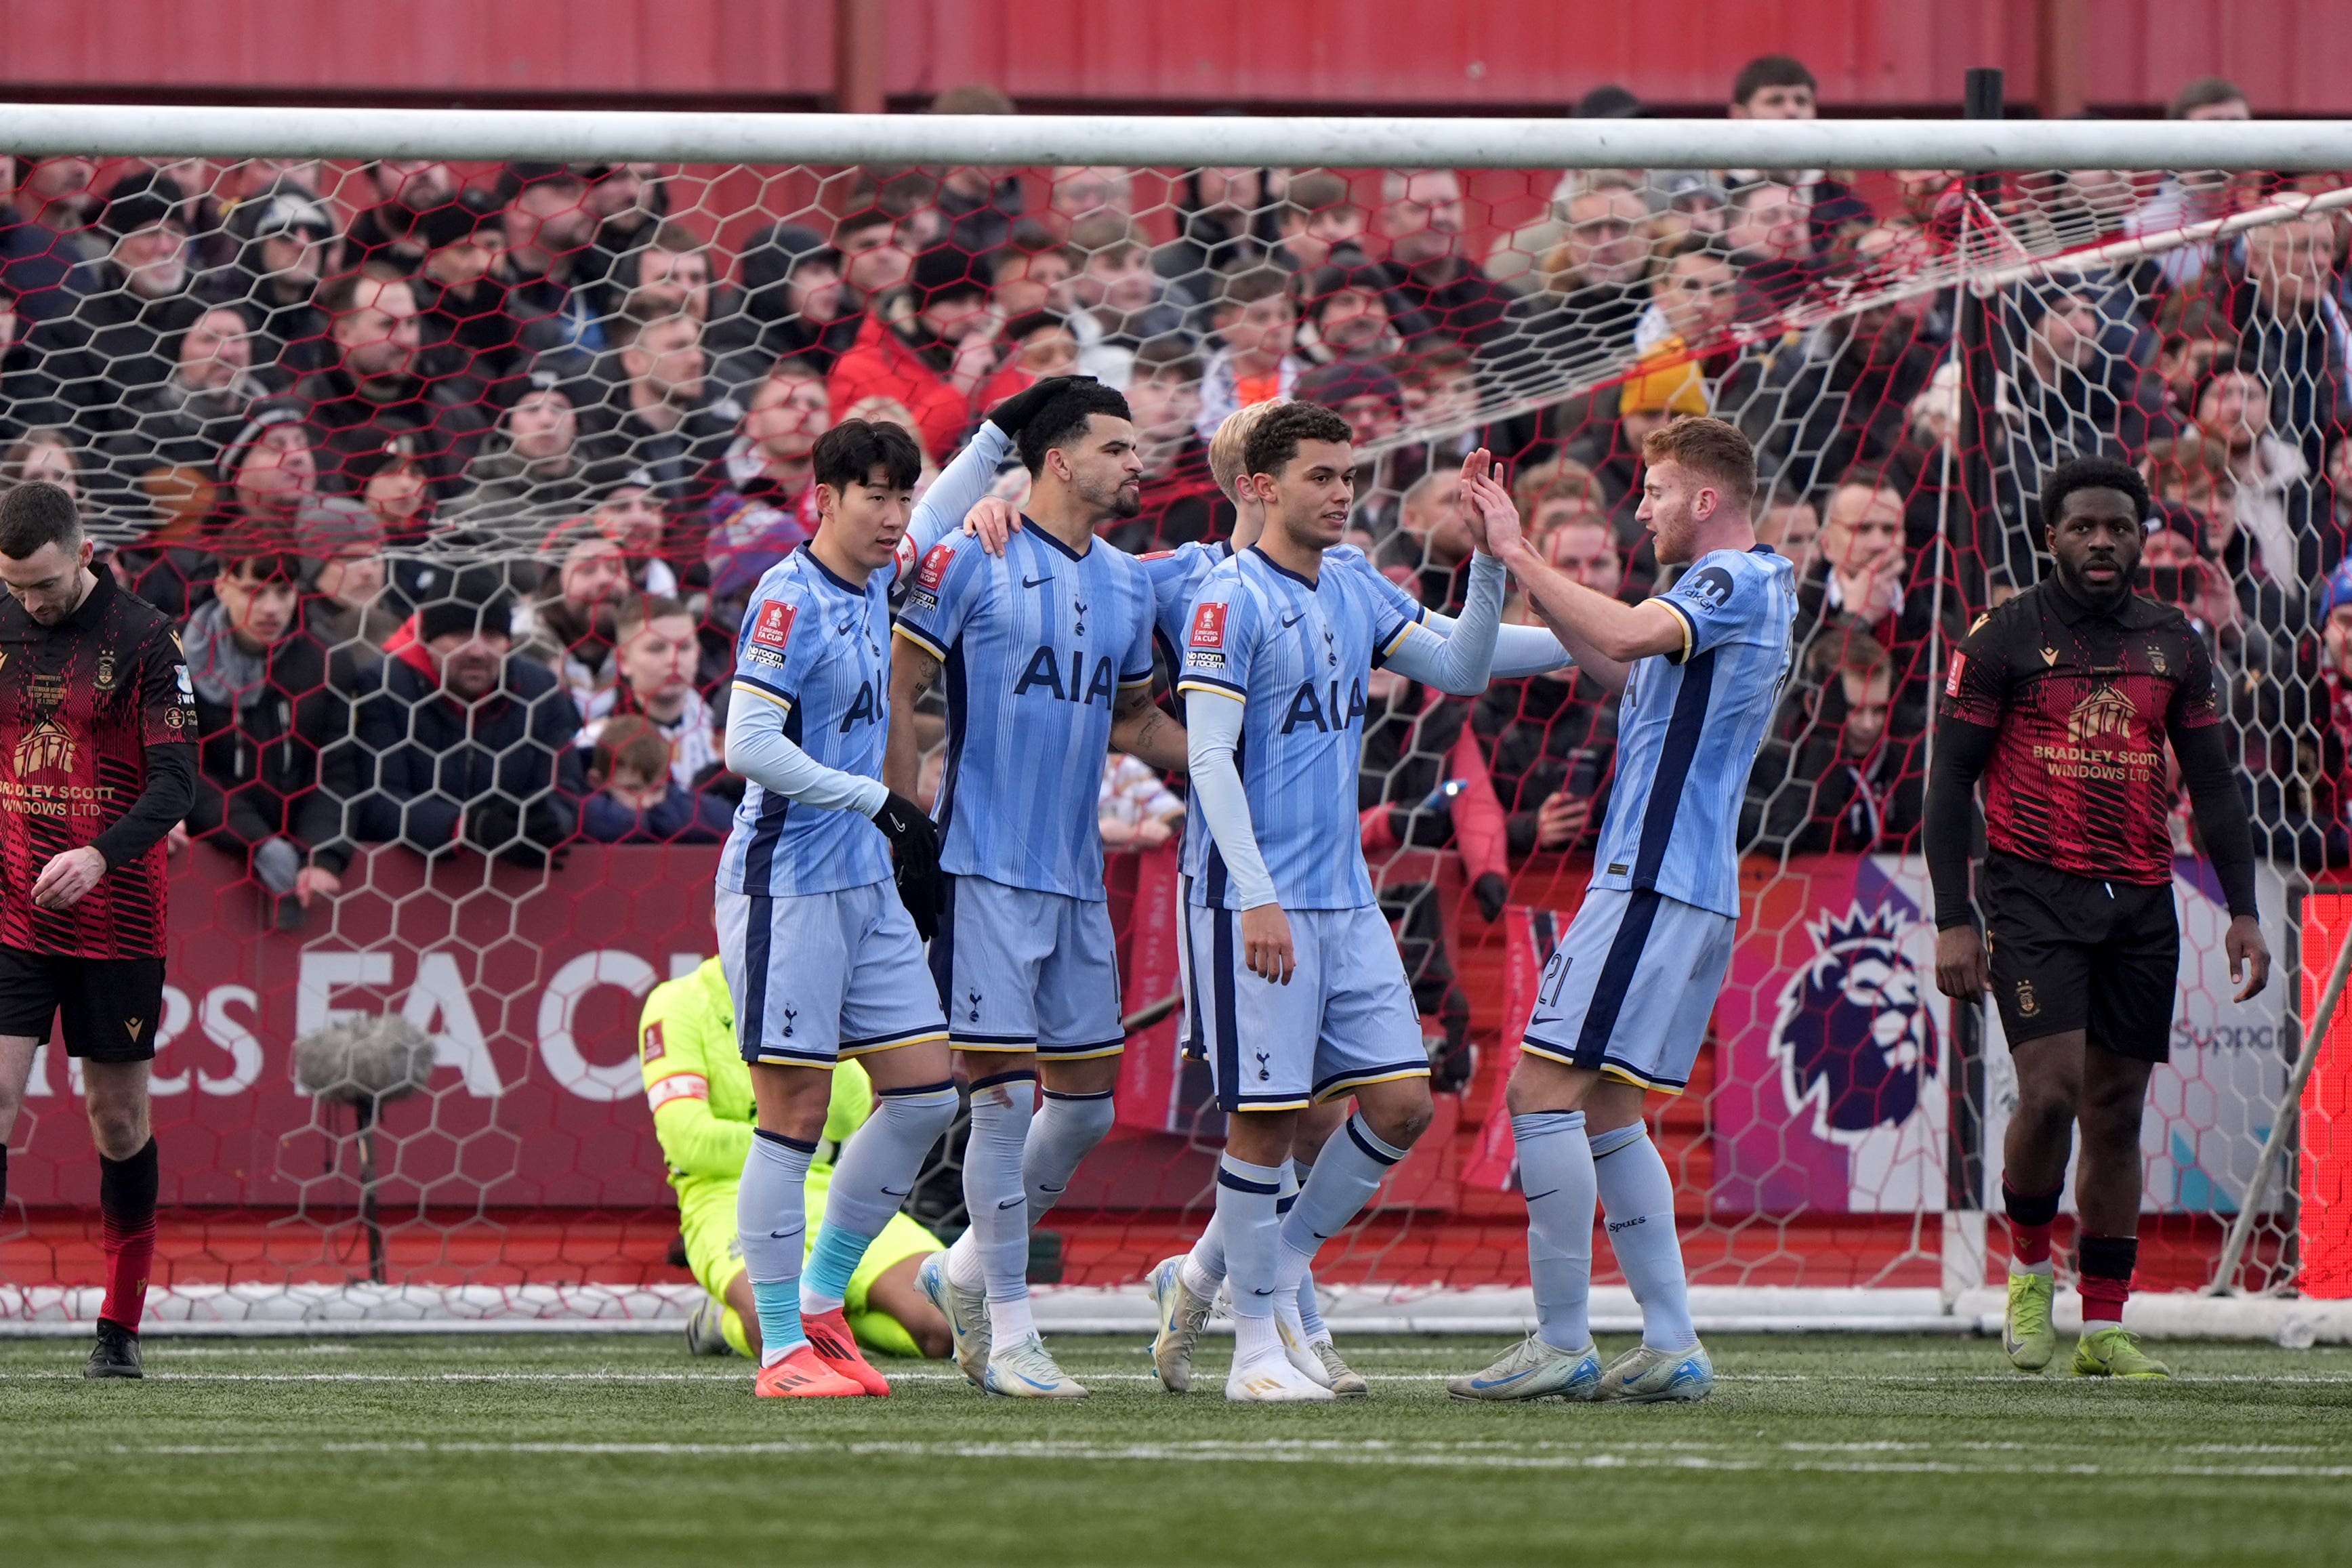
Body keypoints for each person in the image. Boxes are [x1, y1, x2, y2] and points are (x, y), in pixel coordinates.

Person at [1447, 416, 1795, 1406]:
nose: (1636, 507)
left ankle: (1560, 1338)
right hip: (1678, 883)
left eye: (1650, 490)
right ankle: (1673, 1340)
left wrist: (1518, 548)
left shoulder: (1733, 580)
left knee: (1534, 1092)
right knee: (1606, 1108)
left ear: (1702, 498)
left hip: (1651, 877)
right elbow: (1617, 663)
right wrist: (1521, 576)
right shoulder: (1718, 594)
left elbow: (1628, 632)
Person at [1171, 404, 1508, 1401]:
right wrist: (1256, 894)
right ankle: (1254, 1355)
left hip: (1346, 902)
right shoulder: (1224, 600)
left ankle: (1213, 1276)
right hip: (1251, 899)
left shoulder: (1355, 585)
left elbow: (1464, 665)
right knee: (1265, 1125)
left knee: (1403, 1103)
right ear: (1260, 486)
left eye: (1347, 475)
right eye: (1319, 474)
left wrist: (1490, 563)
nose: (1340, 491)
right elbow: (1204, 758)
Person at [1928, 455, 2268, 1381]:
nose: (2100, 543)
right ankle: (2029, 1268)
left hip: (2141, 901)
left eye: (2117, 527)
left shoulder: (2174, 642)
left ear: (2140, 532)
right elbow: (1948, 777)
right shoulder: (1999, 636)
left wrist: (2240, 910)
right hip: (2031, 892)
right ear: (2050, 536)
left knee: (2117, 1111)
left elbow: (2211, 783)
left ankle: (2105, 1323)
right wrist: (1952, 918)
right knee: (2047, 1094)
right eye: (2081, 527)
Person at [886, 379, 1187, 1397]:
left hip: (1074, 875)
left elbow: (1131, 721)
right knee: (1002, 1099)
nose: (1134, 464)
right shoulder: (975, 550)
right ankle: (1009, 1329)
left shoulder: (1127, 583)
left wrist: (1238, 764)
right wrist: (898, 812)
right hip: (982, 865)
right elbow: (898, 674)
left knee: (1087, 1107)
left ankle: (963, 1270)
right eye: (1116, 448)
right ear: (1058, 459)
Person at [718, 416, 957, 1399]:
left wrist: (1000, 435)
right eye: (875, 497)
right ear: (822, 497)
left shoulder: (875, 580)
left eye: (904, 497)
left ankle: (821, 1303)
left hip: (861, 882)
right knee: (795, 1112)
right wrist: (877, 800)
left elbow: (943, 506)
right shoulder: (786, 594)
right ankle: (779, 1351)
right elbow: (745, 745)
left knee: (925, 1090)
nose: (896, 517)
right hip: (788, 885)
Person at [0, 480, 199, 1380]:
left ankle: (118, 1325)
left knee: (115, 1120)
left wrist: (99, 856)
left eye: (41, 585)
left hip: (116, 914)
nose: (29, 602)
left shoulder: (149, 639)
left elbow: (175, 784)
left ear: (84, 556)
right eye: (14, 586)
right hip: (11, 908)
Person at [642, 951, 951, 1361]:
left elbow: (844, 1119)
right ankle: (723, 1322)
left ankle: (826, 1314)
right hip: (722, 1198)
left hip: (826, 1190)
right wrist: (797, 1142)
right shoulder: (678, 1001)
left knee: (946, 1328)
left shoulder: (816, 996)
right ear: (725, 915)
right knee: (780, 1333)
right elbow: (689, 1142)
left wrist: (819, 1011)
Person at [346, 569, 581, 867]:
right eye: (460, 635)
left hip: (511, 886)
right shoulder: (383, 686)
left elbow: (565, 789)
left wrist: (547, 825)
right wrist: (466, 828)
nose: (477, 651)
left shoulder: (540, 689)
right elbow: (376, 800)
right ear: (428, 640)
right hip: (404, 879)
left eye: (492, 636)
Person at [183, 545, 358, 930]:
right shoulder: (175, 663)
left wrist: (322, 855)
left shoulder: (328, 664)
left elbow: (336, 772)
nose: (271, 609)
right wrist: (256, 841)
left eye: (284, 592)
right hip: (213, 860)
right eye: (253, 591)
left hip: (302, 866)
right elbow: (185, 772)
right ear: (221, 586)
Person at [579, 596, 718, 789]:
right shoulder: (595, 742)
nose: (674, 659)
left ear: (698, 652)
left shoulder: (725, 729)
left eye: (685, 647)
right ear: (623, 660)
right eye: (657, 648)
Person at [579, 716, 733, 846]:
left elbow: (722, 816)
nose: (646, 802)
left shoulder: (676, 805)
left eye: (657, 789)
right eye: (632, 789)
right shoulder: (588, 812)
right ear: (596, 781)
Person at [1193, 267, 1304, 442]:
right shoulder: (1197, 385)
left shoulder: (1312, 381)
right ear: (1223, 326)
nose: (1277, 328)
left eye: (1284, 316)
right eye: (1261, 317)